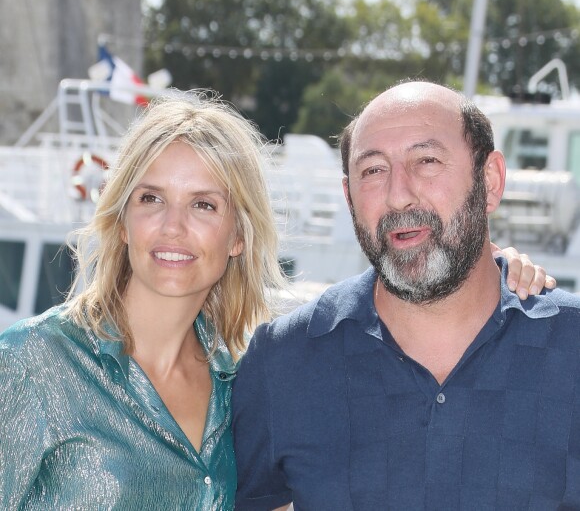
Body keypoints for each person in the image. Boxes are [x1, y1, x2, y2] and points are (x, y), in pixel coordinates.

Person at [232, 81, 578, 510]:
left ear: (490, 181)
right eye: (373, 170)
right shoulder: (282, 363)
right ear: (348, 197)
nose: (398, 194)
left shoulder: (572, 347)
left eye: (427, 160)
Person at [0, 92, 287, 509]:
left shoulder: (239, 391)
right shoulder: (32, 363)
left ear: (238, 237)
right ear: (122, 223)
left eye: (204, 205)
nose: (173, 226)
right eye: (151, 198)